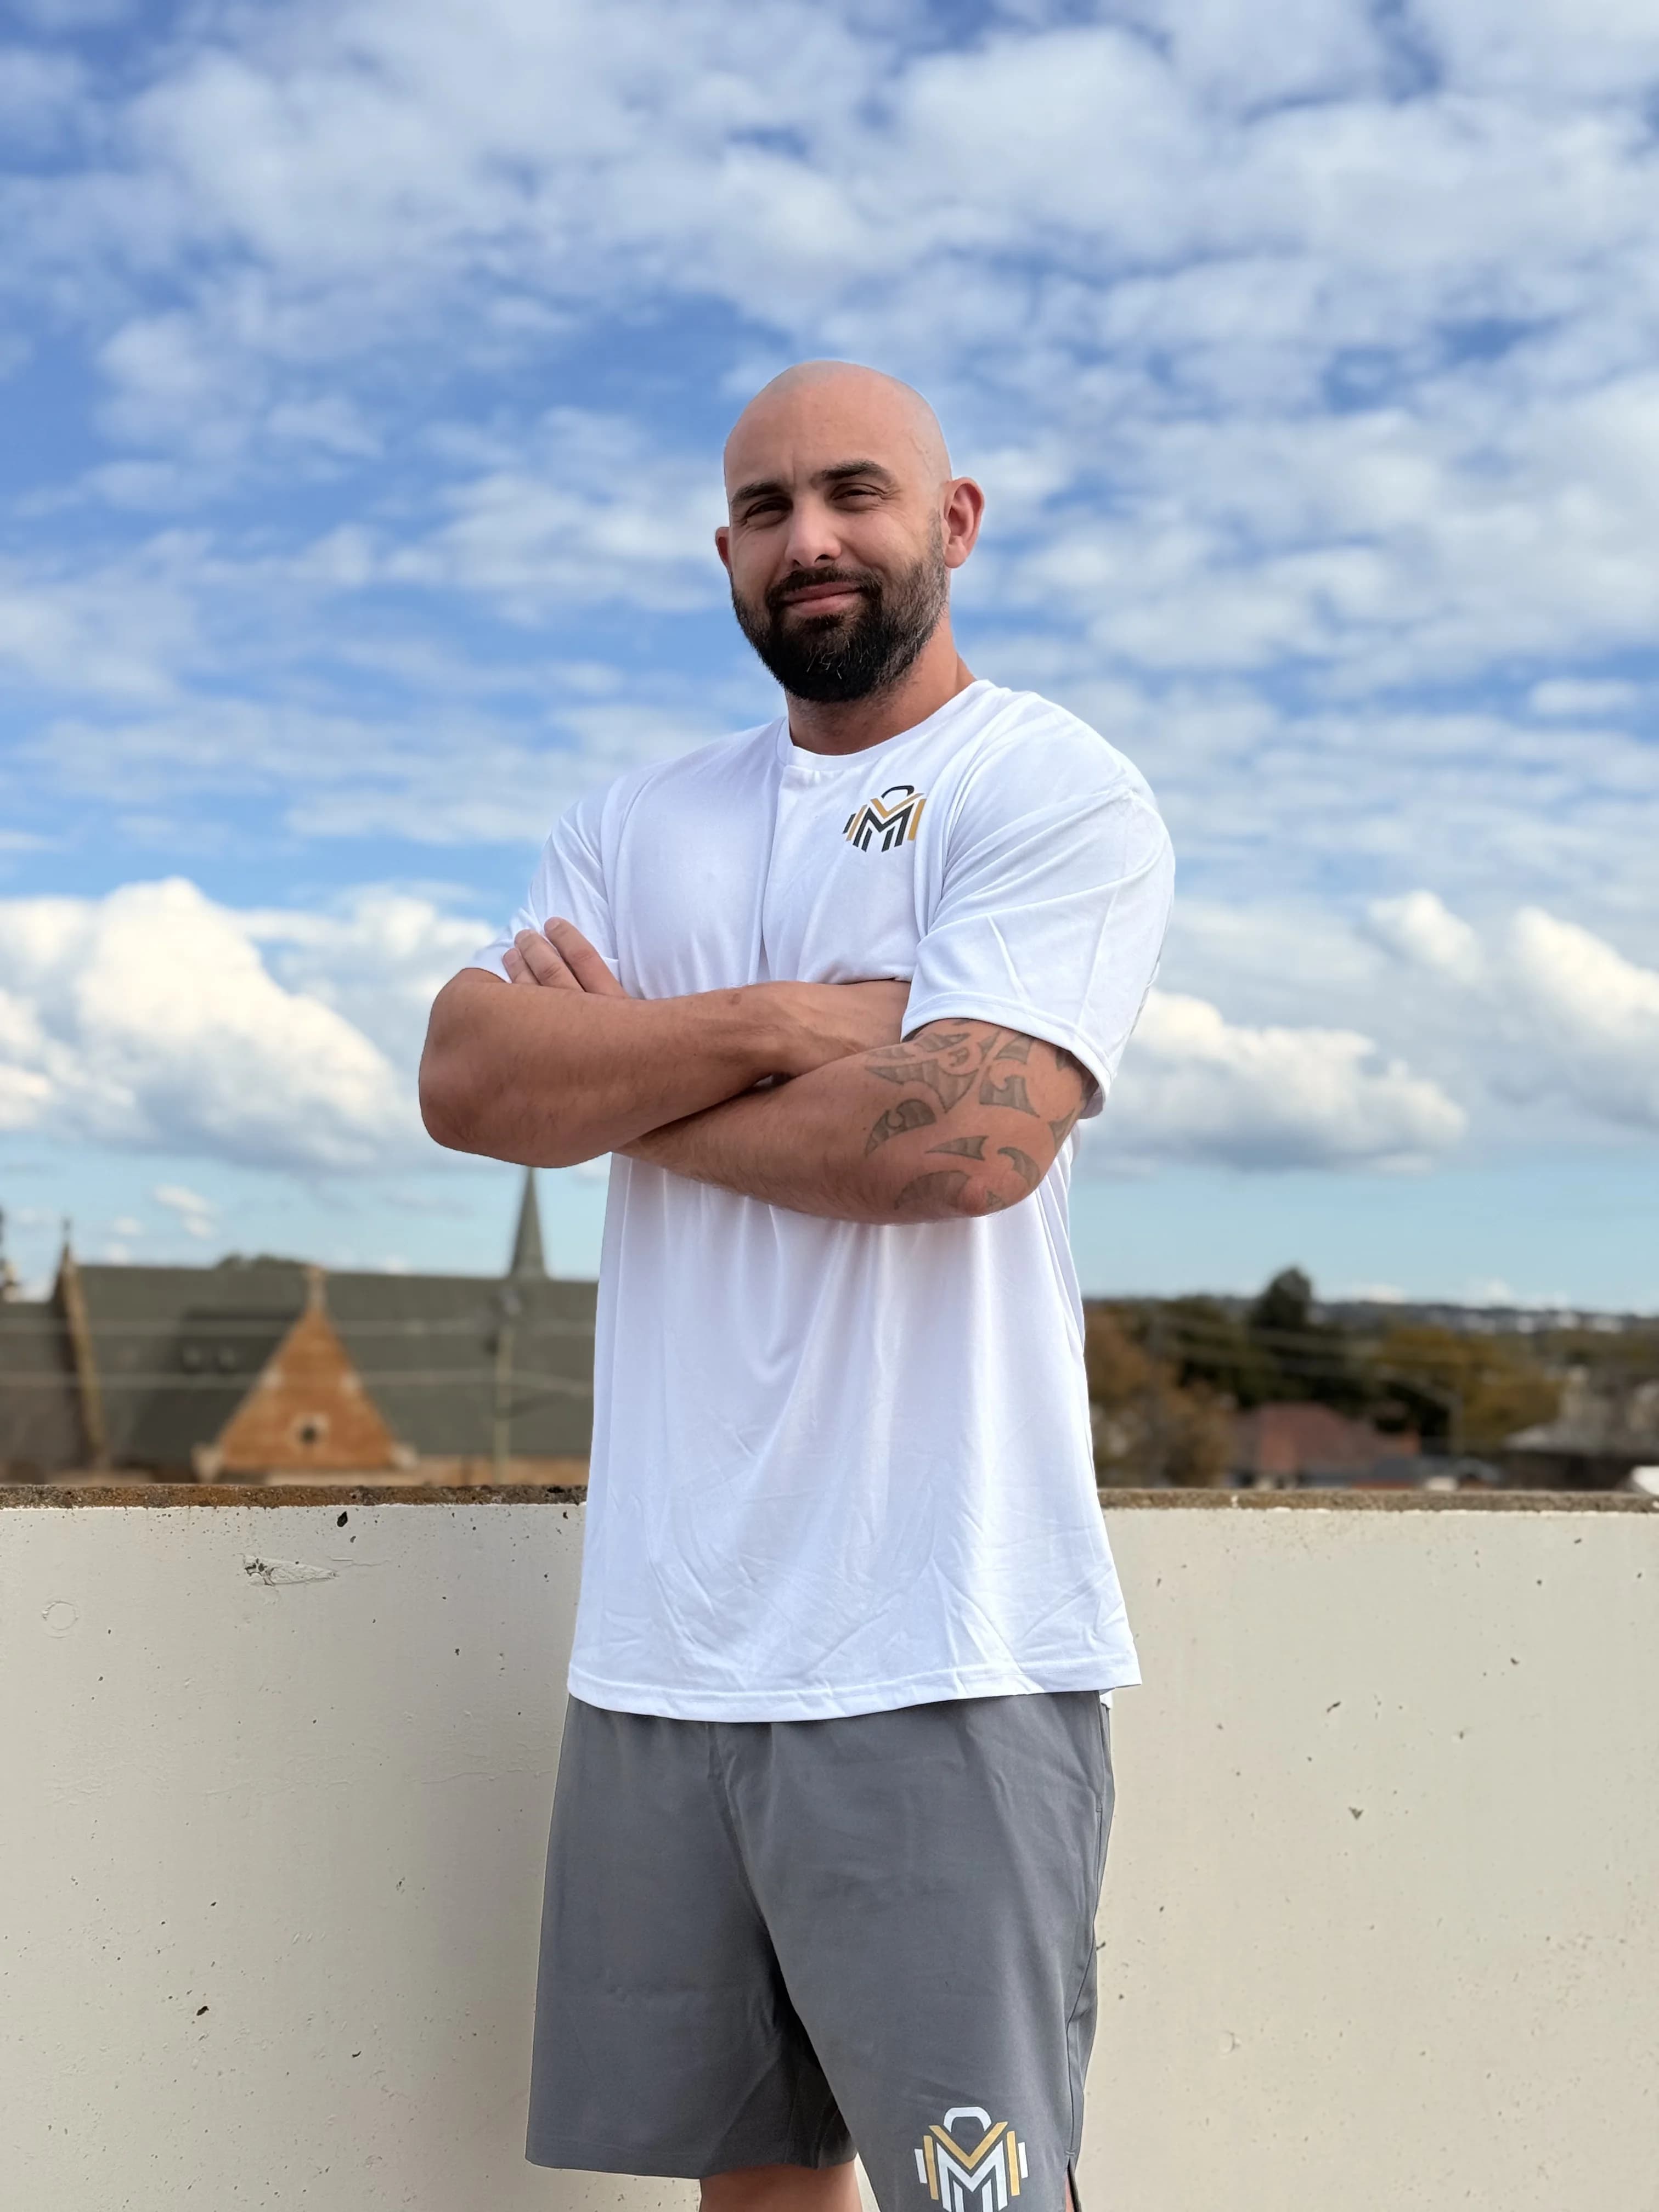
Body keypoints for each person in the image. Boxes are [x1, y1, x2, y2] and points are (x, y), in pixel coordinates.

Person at [419, 361, 1175, 2212]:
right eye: (765, 508)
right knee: (749, 2192)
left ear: (955, 521)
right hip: (667, 1651)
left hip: (941, 1641)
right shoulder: (635, 823)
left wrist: (627, 1081)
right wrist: (782, 1027)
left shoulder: (1048, 787)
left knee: (974, 2196)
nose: (810, 538)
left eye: (855, 493)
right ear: (726, 549)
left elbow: (960, 1149)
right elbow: (468, 1081)